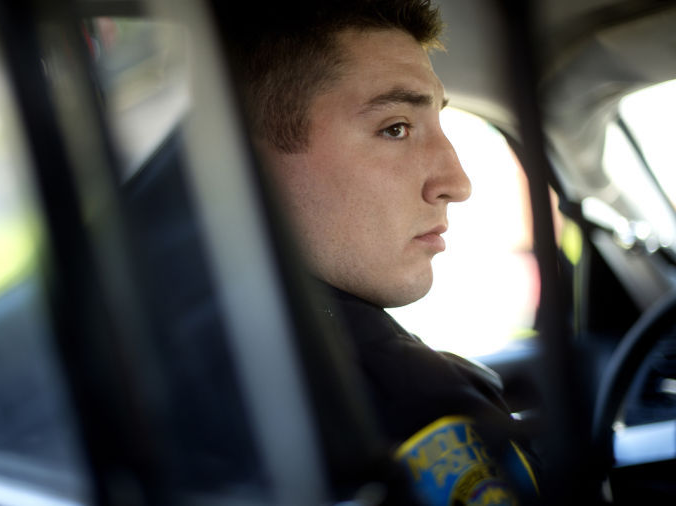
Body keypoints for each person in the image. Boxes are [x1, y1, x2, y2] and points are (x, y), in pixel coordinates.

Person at [221, 1, 540, 503]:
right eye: (396, 128)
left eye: (438, 122)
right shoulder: (414, 404)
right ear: (249, 164)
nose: (457, 183)